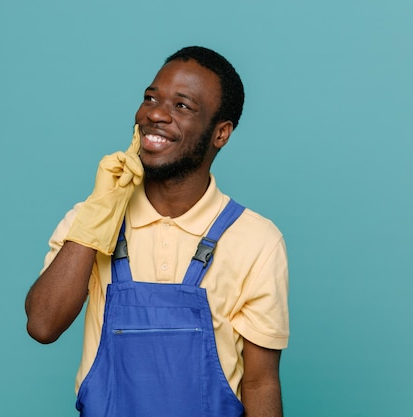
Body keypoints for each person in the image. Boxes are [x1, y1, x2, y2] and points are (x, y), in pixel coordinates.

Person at [25, 46, 289, 417]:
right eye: (151, 98)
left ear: (221, 133)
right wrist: (98, 216)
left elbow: (261, 382)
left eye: (182, 106)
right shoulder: (91, 218)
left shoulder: (256, 240)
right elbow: (42, 324)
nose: (155, 114)